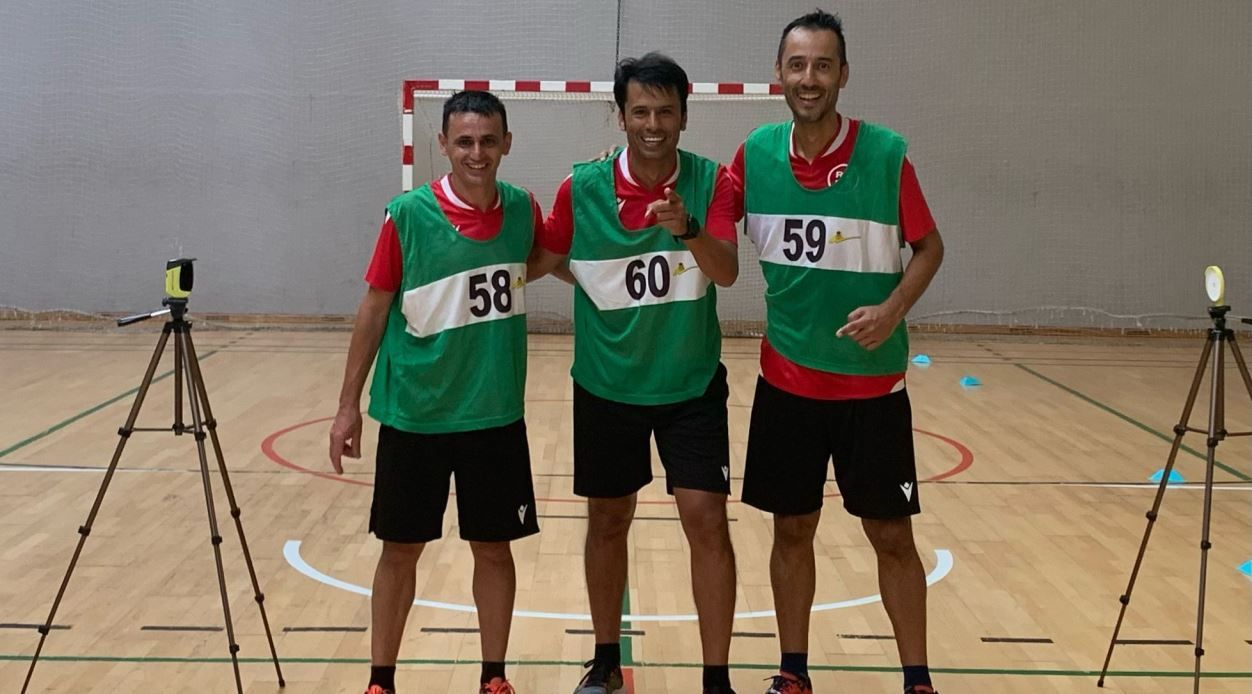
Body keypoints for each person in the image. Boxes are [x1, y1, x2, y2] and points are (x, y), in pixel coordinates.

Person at [729, 10, 946, 694]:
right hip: (787, 384)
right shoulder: (754, 155)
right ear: (778, 74)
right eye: (797, 65)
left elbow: (929, 246)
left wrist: (892, 309)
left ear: (843, 74)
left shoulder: (885, 155)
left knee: (893, 537)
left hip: (872, 391)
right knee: (792, 531)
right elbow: (703, 222)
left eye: (823, 65)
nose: (809, 78)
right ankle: (792, 673)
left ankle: (918, 679)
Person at [527, 52, 741, 694]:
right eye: (640, 111)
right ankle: (604, 659)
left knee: (706, 518)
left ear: (684, 114)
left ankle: (716, 676)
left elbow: (726, 271)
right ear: (619, 115)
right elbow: (544, 255)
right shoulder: (581, 188)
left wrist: (689, 229)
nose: (654, 123)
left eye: (666, 111)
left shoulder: (712, 181)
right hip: (606, 387)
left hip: (691, 385)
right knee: (607, 520)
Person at [328, 90, 543, 694]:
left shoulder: (524, 210)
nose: (477, 152)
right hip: (415, 415)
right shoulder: (407, 215)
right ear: (443, 145)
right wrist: (348, 407)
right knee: (400, 551)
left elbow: (549, 257)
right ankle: (381, 680)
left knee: (494, 550)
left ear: (507, 142)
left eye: (488, 140)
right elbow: (373, 309)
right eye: (464, 141)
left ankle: (494, 677)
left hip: (494, 416)